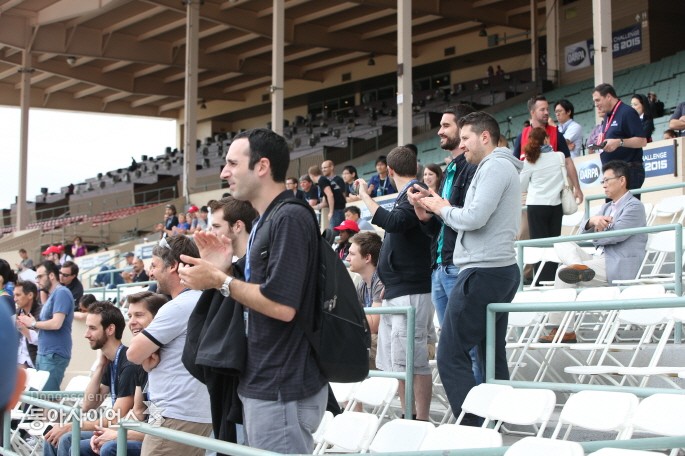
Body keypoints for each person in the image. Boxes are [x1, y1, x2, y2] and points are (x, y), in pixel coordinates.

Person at [177, 128, 327, 453]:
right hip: (265, 383)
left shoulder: (289, 218)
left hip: (281, 386)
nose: (224, 172)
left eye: (232, 163)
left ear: (261, 167)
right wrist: (224, 268)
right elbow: (261, 289)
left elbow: (282, 304)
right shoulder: (265, 220)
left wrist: (219, 281)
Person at [418, 112, 522, 425]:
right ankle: (492, 425)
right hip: (494, 270)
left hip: (483, 271)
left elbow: (474, 218)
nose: (462, 146)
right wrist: (443, 207)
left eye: (466, 139)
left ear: (485, 137)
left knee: (450, 354)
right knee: (491, 354)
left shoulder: (494, 167)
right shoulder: (496, 167)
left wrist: (442, 208)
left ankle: (472, 428)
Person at [356, 146, 434, 421]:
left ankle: (421, 419)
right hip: (397, 289)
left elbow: (392, 221)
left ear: (389, 171)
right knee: (397, 364)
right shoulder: (407, 193)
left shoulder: (415, 192)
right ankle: (407, 414)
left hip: (411, 290)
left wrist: (364, 195)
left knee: (413, 362)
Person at [542, 160, 648, 342]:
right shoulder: (607, 207)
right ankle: (578, 267)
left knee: (562, 273)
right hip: (598, 259)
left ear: (622, 180)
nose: (604, 185)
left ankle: (565, 330)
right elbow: (583, 235)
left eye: (607, 180)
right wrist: (592, 222)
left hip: (617, 264)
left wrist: (598, 232)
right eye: (602, 181)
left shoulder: (634, 206)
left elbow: (615, 236)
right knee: (561, 242)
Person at [126, 235, 212, 456]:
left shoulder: (179, 306)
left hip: (175, 415)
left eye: (154, 265)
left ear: (173, 266)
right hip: (191, 413)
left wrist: (147, 355)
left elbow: (134, 354)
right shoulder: (202, 299)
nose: (150, 272)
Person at [183, 195, 257, 445]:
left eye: (216, 227)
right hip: (232, 391)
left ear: (237, 227)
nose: (209, 233)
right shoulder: (231, 271)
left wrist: (219, 275)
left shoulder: (258, 267)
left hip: (257, 387)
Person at [43, 301, 139, 456]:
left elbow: (115, 418)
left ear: (110, 329)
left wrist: (72, 426)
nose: (86, 334)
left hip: (127, 431)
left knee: (67, 437)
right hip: (115, 428)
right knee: (53, 438)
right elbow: (89, 404)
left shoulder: (129, 364)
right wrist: (101, 366)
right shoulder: (110, 361)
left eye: (92, 328)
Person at [88, 291, 168, 456]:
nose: (131, 322)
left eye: (138, 315)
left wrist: (116, 433)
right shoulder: (140, 360)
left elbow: (118, 416)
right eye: (130, 316)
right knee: (72, 439)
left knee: (105, 446)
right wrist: (100, 367)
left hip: (164, 437)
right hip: (145, 432)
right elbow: (137, 412)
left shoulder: (133, 362)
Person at [514, 95, 583, 204]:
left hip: (553, 192)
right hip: (528, 193)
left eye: (547, 109)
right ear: (532, 112)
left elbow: (568, 163)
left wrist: (577, 188)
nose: (547, 112)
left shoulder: (556, 134)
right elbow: (515, 167)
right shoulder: (521, 137)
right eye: (542, 110)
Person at [17, 261, 73, 392]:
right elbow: (47, 325)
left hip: (53, 354)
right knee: (41, 399)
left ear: (51, 276)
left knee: (49, 399)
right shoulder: (52, 295)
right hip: (44, 353)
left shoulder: (62, 293)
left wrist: (33, 323)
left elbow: (56, 323)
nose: (37, 280)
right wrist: (31, 323)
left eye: (40, 276)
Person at [519, 127, 565, 284]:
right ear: (546, 139)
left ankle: (539, 278)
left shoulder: (529, 160)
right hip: (556, 205)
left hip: (536, 205)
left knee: (538, 245)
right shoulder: (559, 156)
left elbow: (521, 185)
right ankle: (552, 278)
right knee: (553, 243)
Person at [591, 83, 648, 197]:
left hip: (628, 171)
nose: (596, 105)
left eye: (598, 100)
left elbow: (642, 141)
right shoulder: (608, 115)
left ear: (608, 97)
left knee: (627, 212)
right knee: (612, 213)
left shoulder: (627, 112)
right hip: (613, 174)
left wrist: (619, 142)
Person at [346, 231, 383, 369]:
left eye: (352, 254)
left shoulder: (380, 281)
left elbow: (373, 326)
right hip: (378, 339)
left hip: (390, 341)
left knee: (346, 345)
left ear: (367, 257)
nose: (347, 258)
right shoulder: (362, 284)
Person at [309, 164, 346, 229]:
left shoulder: (321, 180)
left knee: (335, 231)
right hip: (339, 208)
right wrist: (313, 207)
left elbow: (330, 195)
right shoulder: (324, 179)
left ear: (311, 175)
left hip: (337, 209)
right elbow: (325, 202)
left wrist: (331, 212)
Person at [14, 280, 41, 368]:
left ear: (30, 295)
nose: (15, 299)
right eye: (14, 295)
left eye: (18, 295)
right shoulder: (16, 313)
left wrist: (22, 328)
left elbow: (42, 340)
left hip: (35, 361)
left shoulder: (42, 312)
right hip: (18, 360)